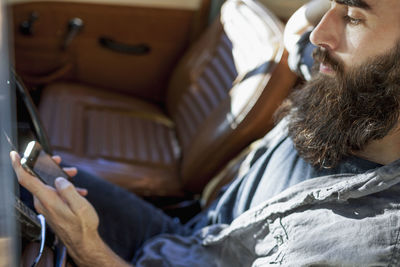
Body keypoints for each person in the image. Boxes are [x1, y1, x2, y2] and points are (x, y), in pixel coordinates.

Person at [11, 0, 400, 265]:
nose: (320, 34)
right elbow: (301, 26)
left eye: (352, 17)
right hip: (193, 238)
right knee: (13, 177)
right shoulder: (351, 86)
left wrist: (87, 246)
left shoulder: (365, 247)